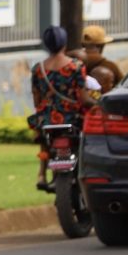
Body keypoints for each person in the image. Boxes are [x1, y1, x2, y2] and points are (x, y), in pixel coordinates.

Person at [27, 26, 87, 189]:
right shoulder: (76, 66)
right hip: (71, 117)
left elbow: (36, 98)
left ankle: (41, 174)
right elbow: (82, 97)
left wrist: (43, 113)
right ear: (64, 43)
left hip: (46, 117)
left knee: (44, 140)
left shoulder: (38, 68)